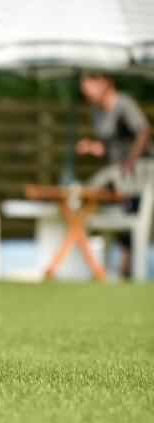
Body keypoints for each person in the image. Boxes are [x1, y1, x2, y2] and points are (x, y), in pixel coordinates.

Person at [77, 74, 151, 278]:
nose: (87, 92)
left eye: (90, 85)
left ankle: (125, 267)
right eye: (84, 87)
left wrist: (131, 161)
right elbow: (109, 146)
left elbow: (143, 132)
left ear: (106, 82)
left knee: (131, 210)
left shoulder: (124, 104)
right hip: (116, 174)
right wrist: (92, 147)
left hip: (138, 174)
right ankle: (109, 267)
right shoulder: (97, 112)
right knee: (98, 201)